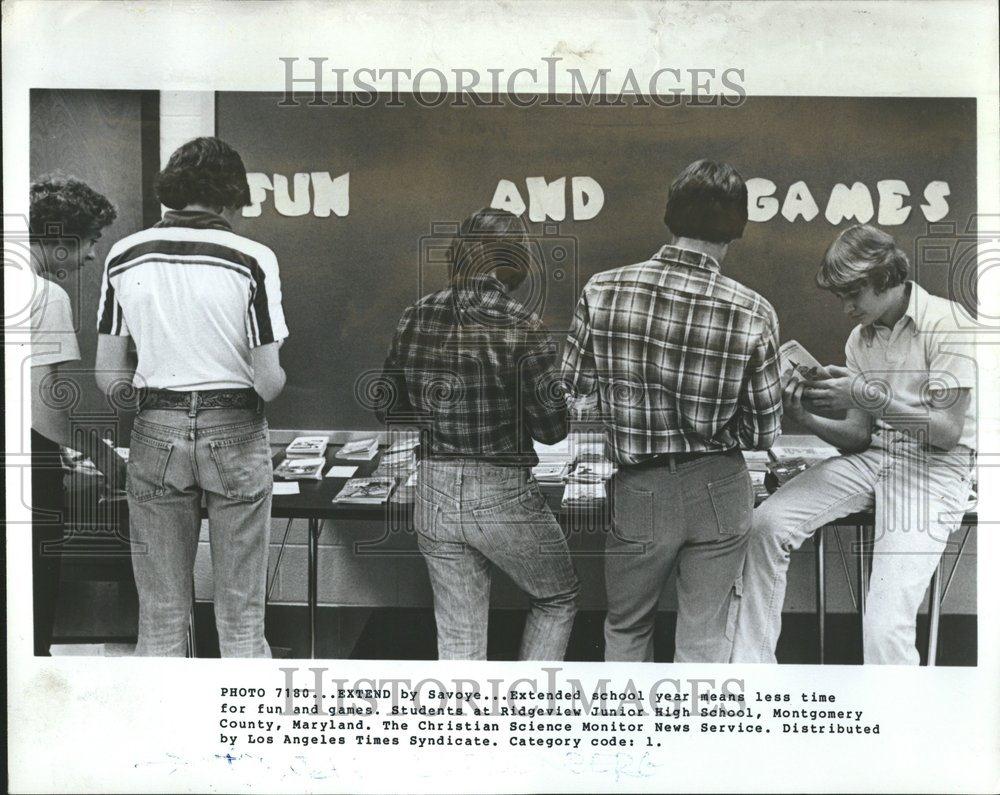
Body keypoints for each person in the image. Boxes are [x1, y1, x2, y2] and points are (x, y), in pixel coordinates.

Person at [562, 159, 783, 663]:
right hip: (720, 487)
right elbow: (765, 430)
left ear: (669, 214)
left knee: (625, 626)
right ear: (738, 227)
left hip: (640, 488)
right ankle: (693, 740)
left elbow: (571, 391)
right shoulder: (753, 310)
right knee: (704, 636)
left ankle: (624, 740)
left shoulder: (602, 289)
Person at [732, 224, 976, 665]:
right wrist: (805, 416)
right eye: (840, 296)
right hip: (874, 457)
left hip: (936, 468)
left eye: (853, 294)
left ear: (886, 279)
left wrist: (867, 395)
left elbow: (946, 432)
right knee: (765, 527)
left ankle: (895, 726)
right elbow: (859, 436)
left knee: (884, 624)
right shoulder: (860, 338)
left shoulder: (949, 323)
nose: (845, 308)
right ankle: (754, 684)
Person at [95, 137, 289, 657]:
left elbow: (108, 374)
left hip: (156, 428)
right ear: (230, 197)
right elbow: (268, 381)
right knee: (241, 612)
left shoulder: (123, 254)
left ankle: (163, 736)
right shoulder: (252, 258)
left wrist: (157, 387)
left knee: (159, 612)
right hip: (236, 431)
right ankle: (248, 735)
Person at [375, 207, 579, 660]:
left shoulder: (416, 316)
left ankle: (466, 727)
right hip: (502, 491)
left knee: (460, 639)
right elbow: (552, 430)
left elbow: (388, 408)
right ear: (516, 262)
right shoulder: (524, 326)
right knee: (556, 596)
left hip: (433, 489)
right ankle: (529, 715)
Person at [27, 175, 128, 655]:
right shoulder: (45, 295)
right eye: (90, 242)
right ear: (59, 238)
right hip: (25, 476)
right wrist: (106, 458)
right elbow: (46, 410)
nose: (91, 256)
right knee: (30, 611)